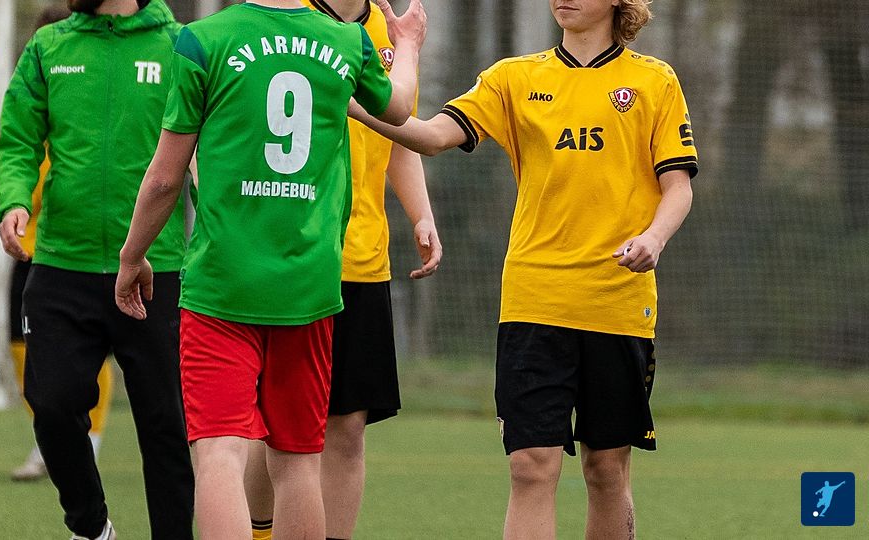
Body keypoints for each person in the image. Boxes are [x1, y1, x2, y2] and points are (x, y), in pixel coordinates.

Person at [350, 0, 697, 537]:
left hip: (617, 304)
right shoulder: (513, 78)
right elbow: (432, 136)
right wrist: (350, 101)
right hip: (533, 303)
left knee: (607, 470)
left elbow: (678, 188)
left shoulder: (654, 81)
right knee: (530, 466)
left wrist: (654, 237)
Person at [114, 0, 426, 537]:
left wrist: (131, 256)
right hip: (311, 288)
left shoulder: (202, 40)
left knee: (219, 454)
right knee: (299, 460)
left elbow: (165, 179)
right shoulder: (346, 41)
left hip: (221, 287)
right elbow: (399, 110)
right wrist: (411, 46)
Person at [0, 0, 194, 538]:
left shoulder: (179, 46)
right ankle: (92, 528)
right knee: (52, 406)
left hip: (157, 270)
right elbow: (18, 138)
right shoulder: (48, 46)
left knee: (167, 427)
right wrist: (13, 198)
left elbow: (210, 151)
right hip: (62, 265)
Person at [242, 1, 441, 539]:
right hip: (291, 257)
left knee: (348, 427)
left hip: (362, 261)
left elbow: (399, 133)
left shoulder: (389, 30)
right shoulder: (285, 18)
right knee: (276, 425)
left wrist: (421, 215)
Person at [5, 2, 115, 484]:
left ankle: (90, 439)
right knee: (21, 345)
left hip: (79, 248)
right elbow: (18, 151)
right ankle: (49, 437)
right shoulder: (34, 94)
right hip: (29, 247)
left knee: (95, 350)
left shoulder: (92, 100)